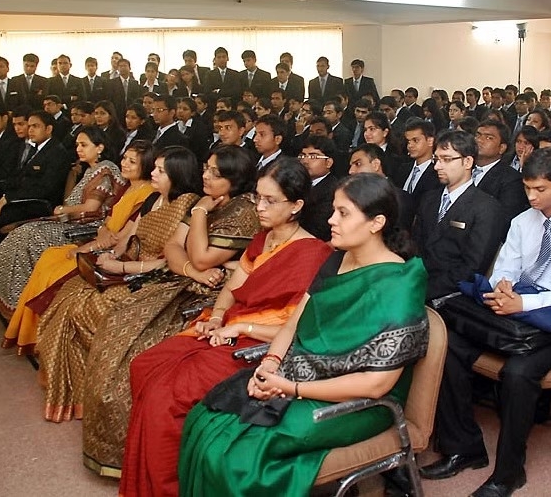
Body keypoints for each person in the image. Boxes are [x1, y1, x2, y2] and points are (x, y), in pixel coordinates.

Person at [178, 173, 429, 497]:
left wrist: (291, 388)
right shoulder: (337, 259)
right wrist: (270, 363)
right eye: (334, 210)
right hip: (298, 374)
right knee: (206, 419)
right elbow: (292, 324)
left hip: (361, 402)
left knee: (236, 456)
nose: (331, 220)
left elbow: (376, 384)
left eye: (343, 213)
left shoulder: (399, 284)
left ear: (376, 223)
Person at [118, 157, 332, 497]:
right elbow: (233, 287)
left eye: (270, 201)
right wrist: (218, 316)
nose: (259, 207)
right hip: (226, 329)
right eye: (258, 197)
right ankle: (155, 473)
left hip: (257, 347)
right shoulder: (262, 239)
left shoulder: (313, 254)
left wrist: (239, 327)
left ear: (296, 206)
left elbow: (295, 328)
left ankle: (170, 486)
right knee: (144, 364)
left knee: (166, 395)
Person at [421, 147, 551, 497]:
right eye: (527, 188)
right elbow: (506, 267)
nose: (532, 197)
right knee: (448, 345)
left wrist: (525, 303)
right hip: (519, 312)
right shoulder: (523, 221)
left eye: (541, 189)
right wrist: (502, 287)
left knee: (518, 373)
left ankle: (509, 473)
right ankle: (464, 447)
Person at [82, 145, 262, 477]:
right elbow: (173, 246)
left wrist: (199, 216)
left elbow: (203, 257)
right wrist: (191, 269)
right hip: (184, 279)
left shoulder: (243, 210)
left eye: (215, 173)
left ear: (235, 180)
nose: (206, 176)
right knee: (118, 324)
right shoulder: (205, 200)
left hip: (214, 293)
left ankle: (135, 447)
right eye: (206, 168)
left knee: (140, 346)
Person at [36, 146, 203, 423]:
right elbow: (129, 235)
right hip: (129, 266)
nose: (153, 173)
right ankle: (76, 390)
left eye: (160, 171)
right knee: (70, 293)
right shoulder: (153, 199)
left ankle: (89, 392)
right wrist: (112, 255)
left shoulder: (186, 206)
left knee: (85, 307)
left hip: (158, 277)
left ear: (178, 175)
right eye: (155, 168)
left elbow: (168, 262)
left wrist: (122, 267)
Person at [0, 141, 156, 356]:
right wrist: (102, 232)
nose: (125, 164)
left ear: (145, 165)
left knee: (56, 270)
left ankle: (40, 336)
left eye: (132, 161)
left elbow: (121, 238)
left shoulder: (147, 194)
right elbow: (106, 224)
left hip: (111, 250)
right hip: (101, 239)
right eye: (124, 159)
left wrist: (90, 247)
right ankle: (27, 331)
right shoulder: (127, 187)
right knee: (48, 257)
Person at [0, 126, 126, 313]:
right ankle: (12, 296)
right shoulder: (91, 169)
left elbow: (91, 208)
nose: (78, 149)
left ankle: (23, 301)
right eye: (77, 145)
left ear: (99, 147)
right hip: (73, 221)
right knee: (21, 233)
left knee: (29, 235)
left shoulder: (104, 170)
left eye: (84, 145)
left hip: (88, 228)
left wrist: (62, 209)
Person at [0, 110, 72, 267]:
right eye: (30, 126)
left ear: (48, 129)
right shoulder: (36, 149)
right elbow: (18, 178)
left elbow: (46, 189)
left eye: (36, 126)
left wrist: (8, 198)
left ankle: (1, 263)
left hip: (38, 204)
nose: (30, 130)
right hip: (20, 197)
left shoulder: (57, 152)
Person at [413, 130, 507, 299]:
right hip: (416, 280)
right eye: (436, 159)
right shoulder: (429, 199)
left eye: (446, 159)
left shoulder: (486, 207)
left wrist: (423, 291)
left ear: (468, 161)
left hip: (450, 294)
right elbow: (415, 246)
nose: (437, 166)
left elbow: (473, 267)